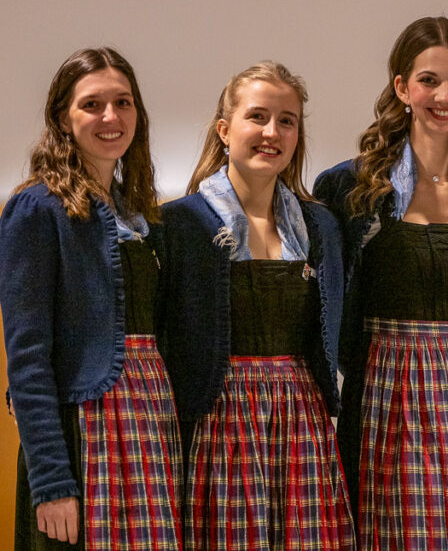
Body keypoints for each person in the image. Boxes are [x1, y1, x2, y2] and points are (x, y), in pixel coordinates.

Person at [314, 16, 448, 549]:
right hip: (385, 391)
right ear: (402, 88)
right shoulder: (349, 187)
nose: (445, 96)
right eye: (430, 80)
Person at [158, 61, 355, 550]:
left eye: (287, 121)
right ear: (225, 130)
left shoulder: (320, 227)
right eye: (258, 117)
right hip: (218, 419)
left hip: (301, 417)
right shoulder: (180, 225)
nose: (272, 132)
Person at [1, 47, 181, 550]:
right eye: (92, 104)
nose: (110, 117)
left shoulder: (140, 213)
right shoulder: (36, 209)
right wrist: (52, 482)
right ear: (63, 118)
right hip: (84, 431)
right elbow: (28, 359)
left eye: (123, 102)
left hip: (150, 421)